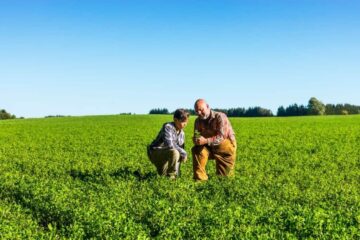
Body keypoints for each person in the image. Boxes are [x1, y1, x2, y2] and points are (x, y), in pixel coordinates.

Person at [192, 99, 237, 181]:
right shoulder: (197, 121)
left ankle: (222, 178)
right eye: (196, 111)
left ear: (208, 107)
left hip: (225, 147)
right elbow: (197, 135)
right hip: (209, 147)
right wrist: (196, 140)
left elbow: (222, 136)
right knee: (197, 149)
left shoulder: (220, 116)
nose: (199, 113)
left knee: (224, 179)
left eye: (201, 110)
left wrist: (205, 141)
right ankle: (200, 179)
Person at [147, 109, 189, 179]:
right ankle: (171, 176)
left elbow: (180, 153)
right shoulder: (168, 127)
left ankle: (172, 175)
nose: (185, 124)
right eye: (183, 122)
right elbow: (170, 145)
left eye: (186, 122)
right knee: (175, 152)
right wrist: (184, 152)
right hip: (155, 152)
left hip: (167, 154)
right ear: (175, 120)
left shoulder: (182, 133)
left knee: (163, 176)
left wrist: (177, 173)